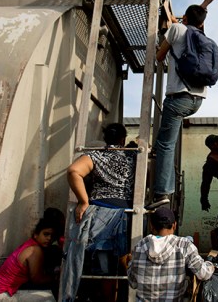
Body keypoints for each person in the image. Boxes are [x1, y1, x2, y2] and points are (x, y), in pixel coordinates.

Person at [61, 123, 137, 302]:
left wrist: (83, 201)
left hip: (99, 214)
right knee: (126, 262)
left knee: (103, 266)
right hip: (125, 213)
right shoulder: (132, 156)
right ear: (122, 139)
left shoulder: (96, 155)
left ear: (105, 138)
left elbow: (73, 171)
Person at [151, 5, 210, 205]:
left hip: (178, 98)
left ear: (184, 17)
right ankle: (163, 181)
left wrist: (168, 29)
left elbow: (159, 56)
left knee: (166, 145)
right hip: (198, 100)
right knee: (165, 142)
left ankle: (162, 193)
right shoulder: (201, 36)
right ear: (201, 22)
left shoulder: (176, 29)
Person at [127, 207, 214, 302]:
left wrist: (129, 264)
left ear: (151, 226)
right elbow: (203, 274)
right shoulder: (184, 245)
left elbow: (133, 283)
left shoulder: (139, 246)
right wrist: (211, 265)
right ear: (174, 225)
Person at [0, 215, 59, 296]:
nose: (49, 238)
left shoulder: (30, 244)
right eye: (46, 234)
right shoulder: (35, 250)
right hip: (2, 290)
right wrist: (55, 278)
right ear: (36, 235)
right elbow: (37, 279)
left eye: (52, 236)